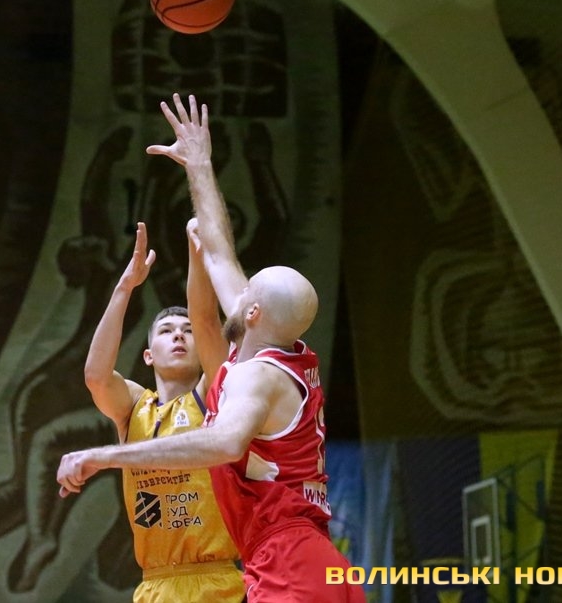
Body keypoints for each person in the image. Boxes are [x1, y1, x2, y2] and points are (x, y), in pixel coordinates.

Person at [57, 94, 365, 603]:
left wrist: (104, 455)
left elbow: (223, 443)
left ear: (252, 311)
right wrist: (198, 164)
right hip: (292, 558)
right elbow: (219, 251)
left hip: (285, 561)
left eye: (247, 291)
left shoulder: (254, 376)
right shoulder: (271, 342)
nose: (236, 290)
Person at [82, 219, 244, 602]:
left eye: (186, 331)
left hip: (217, 581)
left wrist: (196, 250)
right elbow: (95, 376)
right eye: (167, 330)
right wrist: (124, 287)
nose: (179, 335)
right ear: (148, 354)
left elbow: (207, 320)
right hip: (155, 585)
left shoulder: (215, 395)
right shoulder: (134, 407)